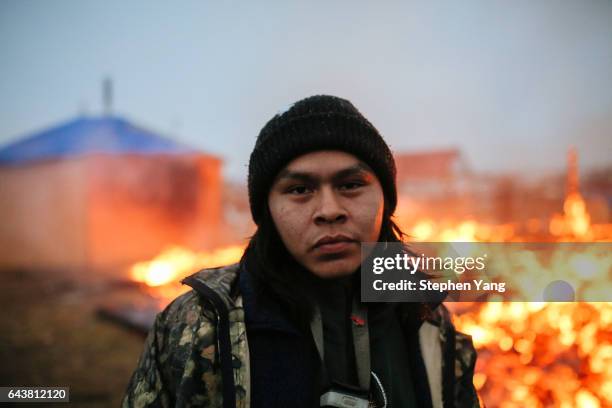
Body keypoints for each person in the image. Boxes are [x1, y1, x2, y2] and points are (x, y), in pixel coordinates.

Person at [123, 95, 480, 408]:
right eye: (299, 189)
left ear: (385, 199)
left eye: (351, 185)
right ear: (267, 212)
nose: (329, 210)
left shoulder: (429, 324)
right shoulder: (200, 325)